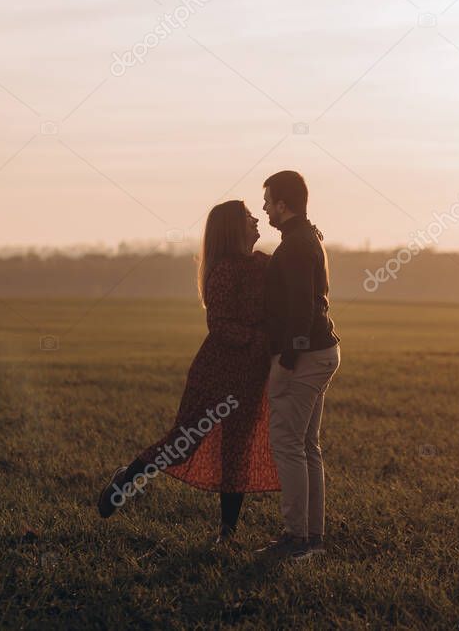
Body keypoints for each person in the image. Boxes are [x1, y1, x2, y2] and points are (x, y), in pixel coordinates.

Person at [96, 200, 279, 545]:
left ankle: (227, 532)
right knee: (182, 443)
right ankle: (125, 480)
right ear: (233, 228)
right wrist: (257, 338)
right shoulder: (224, 270)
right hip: (217, 372)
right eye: (248, 216)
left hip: (251, 374)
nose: (257, 219)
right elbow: (219, 324)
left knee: (237, 450)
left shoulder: (263, 263)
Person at [254, 170, 341, 560]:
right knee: (307, 445)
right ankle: (311, 539)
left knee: (288, 445)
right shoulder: (307, 238)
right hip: (321, 352)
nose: (264, 208)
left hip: (304, 357)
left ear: (283, 205)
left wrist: (287, 361)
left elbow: (302, 309)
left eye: (268, 201)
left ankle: (296, 539)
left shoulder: (294, 248)